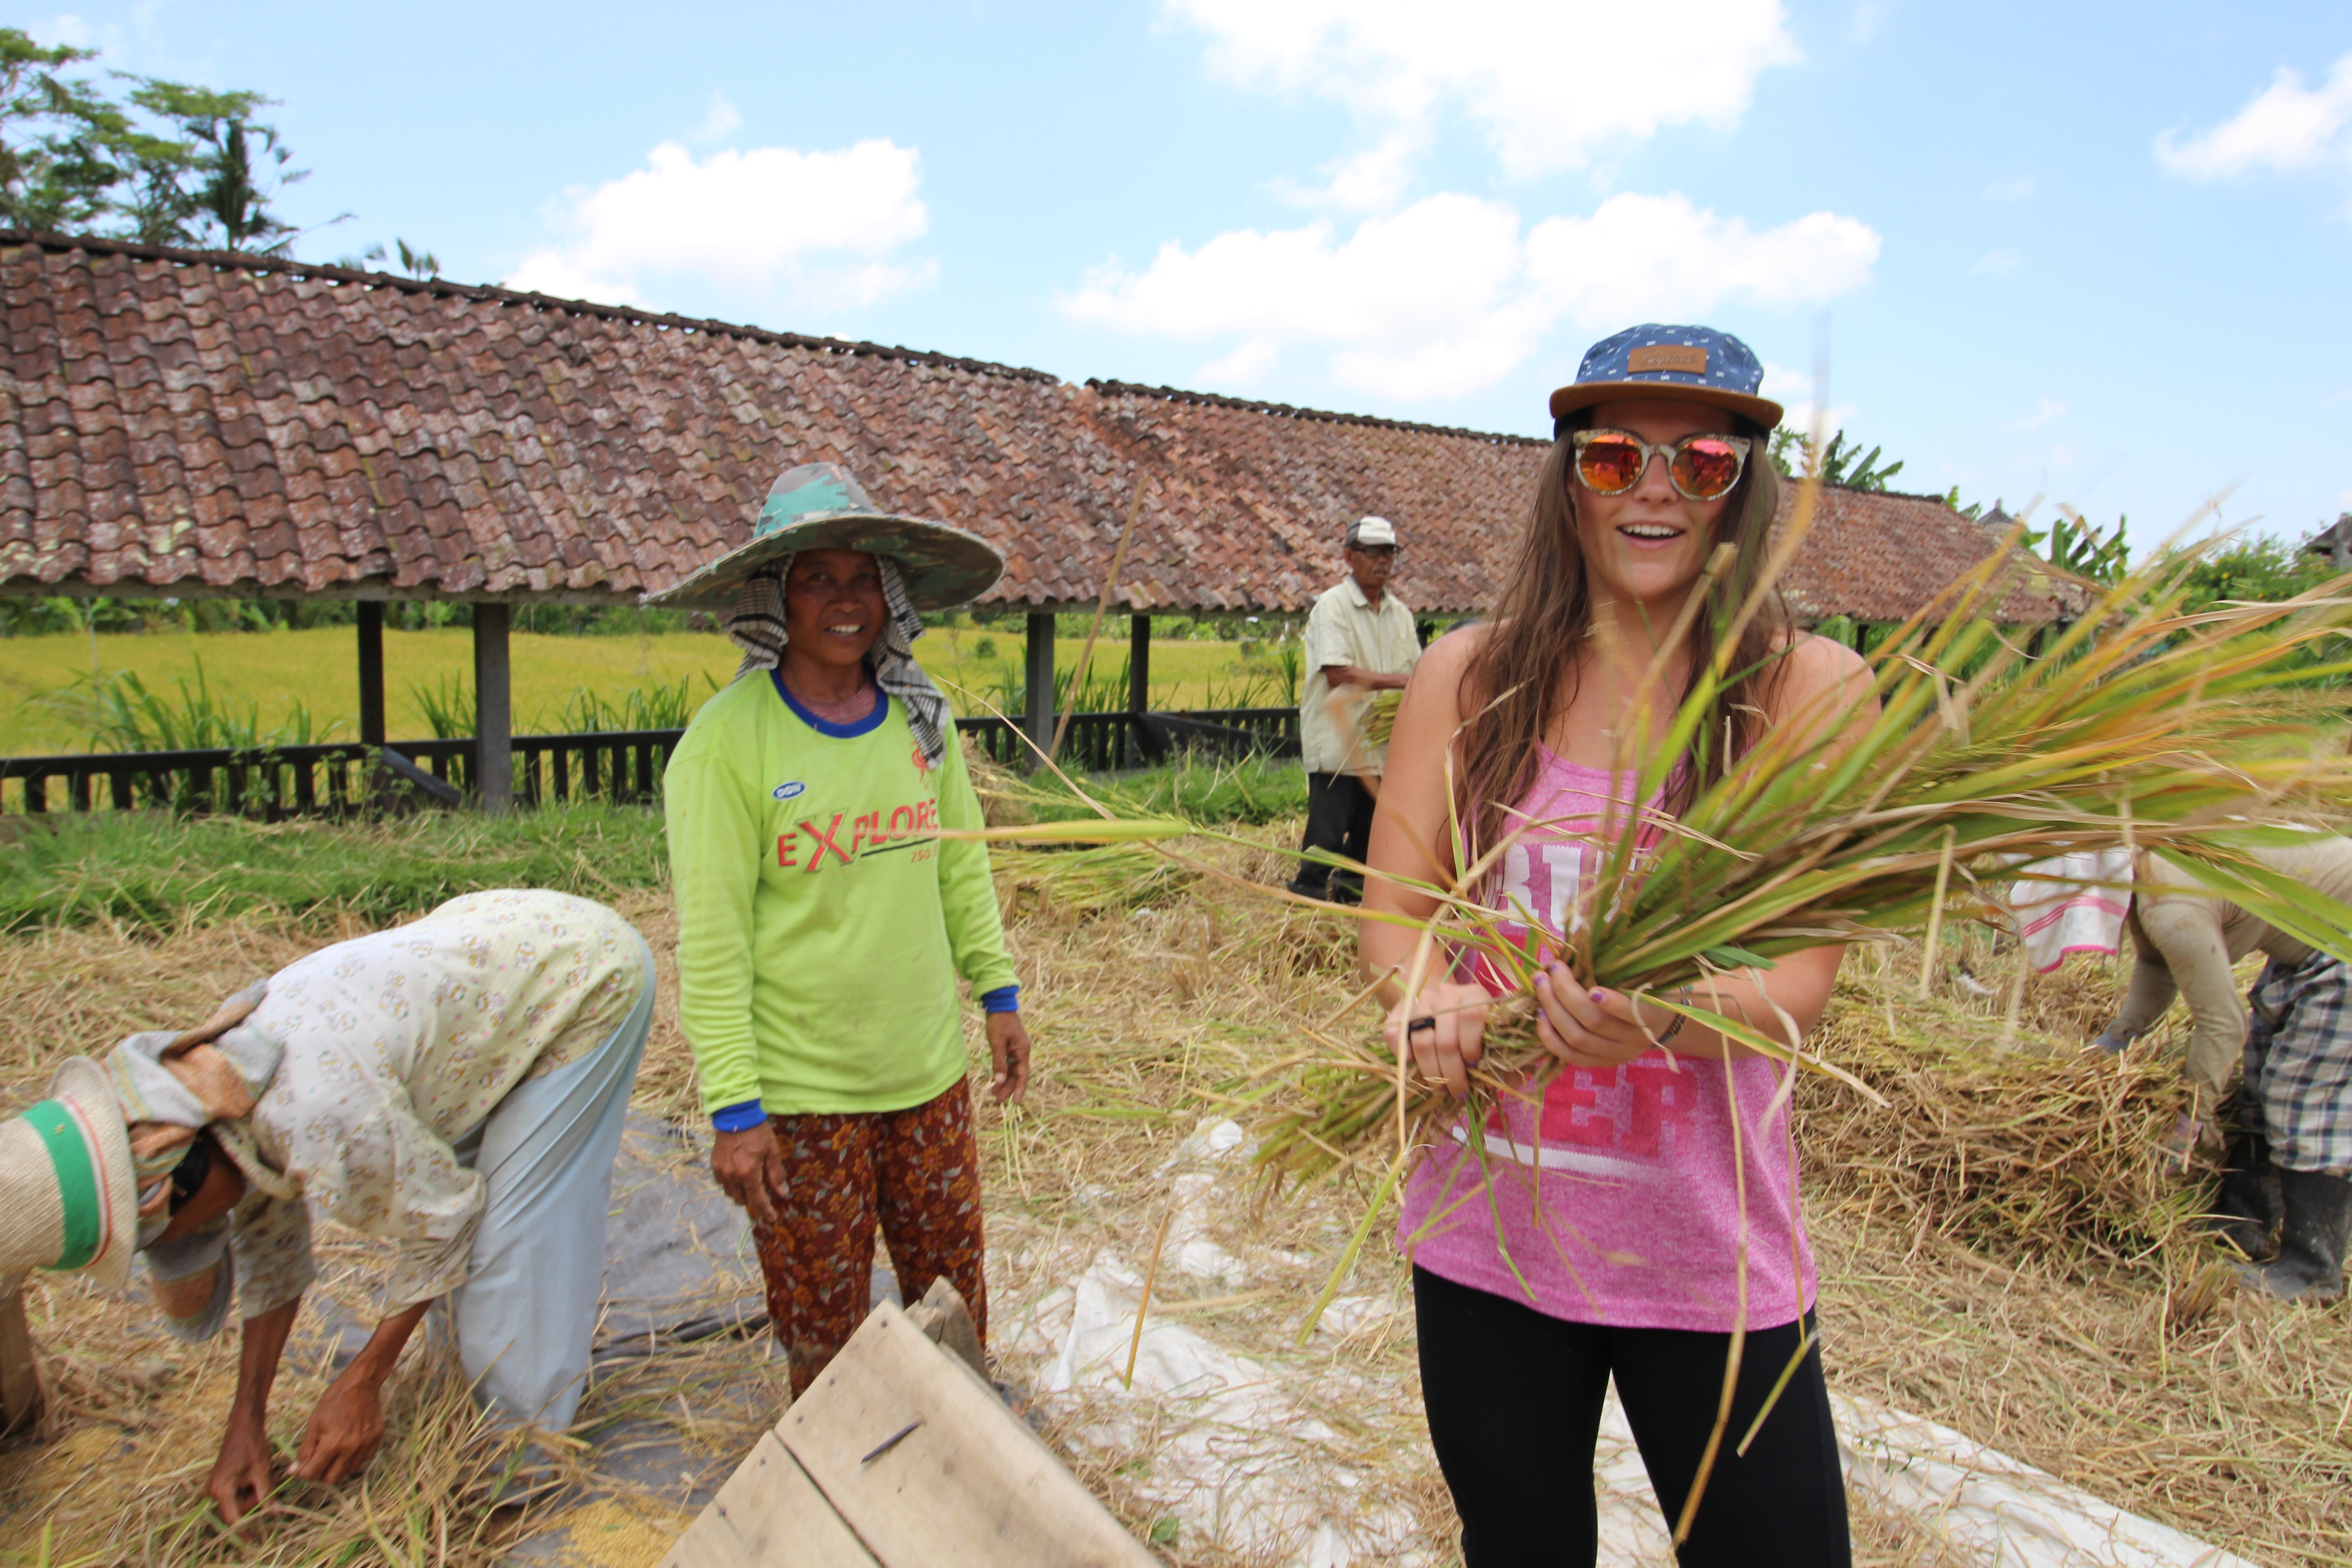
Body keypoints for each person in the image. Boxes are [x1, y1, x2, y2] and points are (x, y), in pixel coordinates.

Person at [1361, 325, 1871, 1566]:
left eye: (1698, 461)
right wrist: (1429, 1008)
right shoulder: (1469, 678)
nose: (1653, 486)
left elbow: (1803, 985)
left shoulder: (1807, 691)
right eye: (1612, 460)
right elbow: (1396, 918)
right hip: (1491, 1236)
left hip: (1709, 1251)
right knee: (1521, 1547)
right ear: (1568, 481)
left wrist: (1663, 1014)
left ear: (1745, 484)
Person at [5, 889, 654, 1527]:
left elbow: (449, 1220)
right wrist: (246, 1425)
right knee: (466, 1251)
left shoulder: (316, 1117)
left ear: (176, 1186)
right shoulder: (218, 1100)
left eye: (182, 1232)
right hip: (480, 978)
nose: (204, 1235)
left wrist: (365, 1379)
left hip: (578, 975)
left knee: (510, 1252)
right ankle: (470, 1407)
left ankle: (521, 1465)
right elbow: (274, 1259)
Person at [655, 462, 1031, 1398]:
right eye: (816, 578)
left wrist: (998, 992)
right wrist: (735, 1111)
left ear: (889, 593)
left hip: (926, 1078)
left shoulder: (921, 721)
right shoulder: (727, 744)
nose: (845, 600)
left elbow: (960, 863)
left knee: (953, 1304)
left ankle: (959, 1486)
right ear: (774, 597)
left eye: (862, 577)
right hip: (801, 1097)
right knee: (820, 1330)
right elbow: (712, 942)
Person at [2096, 836, 2352, 1301]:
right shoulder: (2149, 873)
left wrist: (2195, 1114)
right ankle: (2242, 1226)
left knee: (2301, 1092)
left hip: (2342, 939)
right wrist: (2115, 1043)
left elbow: (2222, 1024)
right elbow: (2160, 968)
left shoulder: (2169, 902)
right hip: (2316, 938)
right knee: (2262, 1079)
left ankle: (2313, 1270)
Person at [1288, 515, 1421, 904]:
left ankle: (1350, 898)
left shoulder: (1400, 615)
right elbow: (1338, 673)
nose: (1382, 561)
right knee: (1327, 835)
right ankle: (1308, 896)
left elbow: (1417, 672)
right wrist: (1400, 682)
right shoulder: (1333, 607)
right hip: (1338, 742)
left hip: (1380, 746)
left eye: (1389, 553)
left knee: (1369, 833)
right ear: (1349, 557)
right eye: (1372, 552)